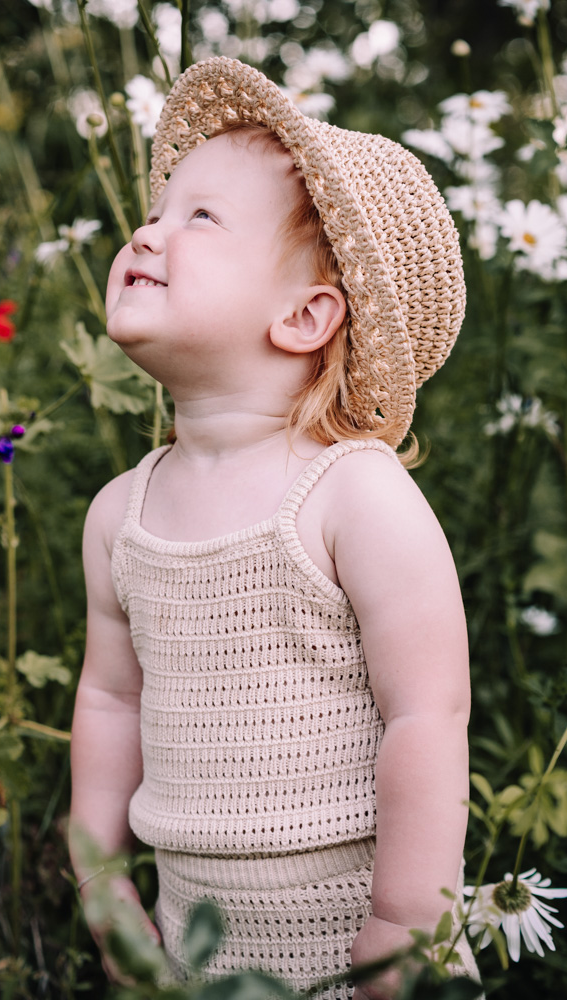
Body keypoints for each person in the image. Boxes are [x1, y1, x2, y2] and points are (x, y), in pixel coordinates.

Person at [68, 57, 478, 999]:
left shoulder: (352, 495)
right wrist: (100, 878)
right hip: (187, 935)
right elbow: (110, 703)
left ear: (305, 316)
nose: (147, 231)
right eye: (158, 211)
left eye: (199, 219)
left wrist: (409, 921)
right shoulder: (118, 515)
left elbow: (428, 712)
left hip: (353, 933)